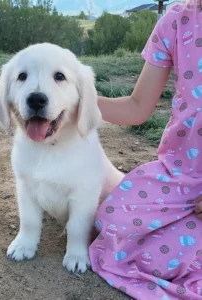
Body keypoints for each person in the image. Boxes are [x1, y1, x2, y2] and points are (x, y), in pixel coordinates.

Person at [89, 1, 202, 299]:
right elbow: (137, 107)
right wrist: (75, 101)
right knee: (111, 220)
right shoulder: (178, 18)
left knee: (167, 262)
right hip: (180, 175)